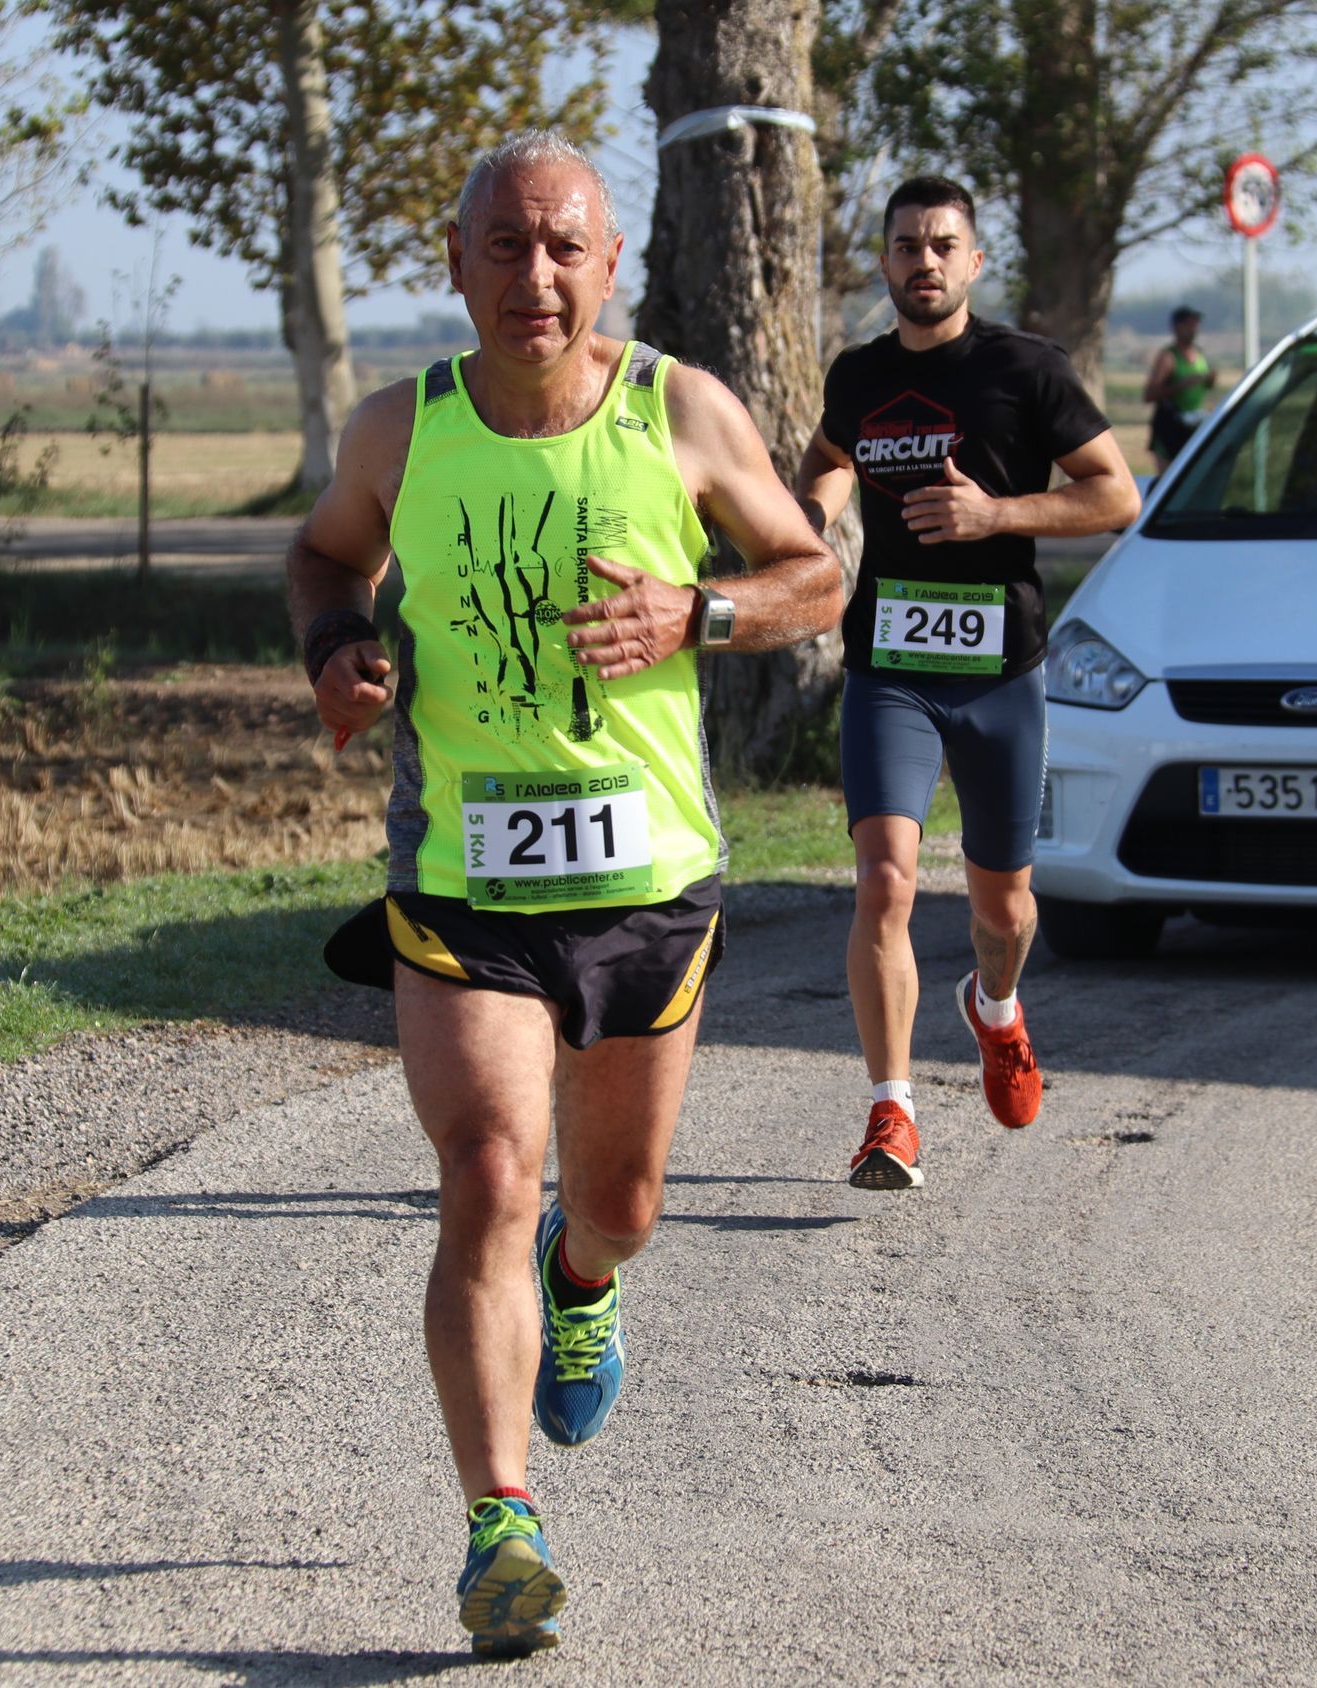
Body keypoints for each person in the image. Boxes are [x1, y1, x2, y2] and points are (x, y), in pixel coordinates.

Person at [287, 130, 842, 1657]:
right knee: (485, 1167)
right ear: (456, 263)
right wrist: (337, 650)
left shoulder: (681, 411)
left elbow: (816, 577)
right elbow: (322, 559)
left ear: (609, 266)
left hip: (647, 883)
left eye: (562, 248)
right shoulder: (401, 429)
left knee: (618, 1206)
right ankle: (501, 1526)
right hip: (459, 881)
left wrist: (698, 612)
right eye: (505, 246)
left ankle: (584, 1281)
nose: (534, 275)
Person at [795, 176, 1140, 1190]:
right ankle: (891, 1111)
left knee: (1006, 911)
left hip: (998, 675)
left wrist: (996, 515)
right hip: (890, 670)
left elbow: (1115, 495)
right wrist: (811, 519)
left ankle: (994, 1007)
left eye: (942, 244)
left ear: (973, 261)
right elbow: (828, 455)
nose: (924, 261)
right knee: (884, 880)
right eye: (906, 245)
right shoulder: (859, 375)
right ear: (884, 263)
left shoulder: (1026, 369)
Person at [1144, 305, 1214, 470]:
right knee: (1170, 474)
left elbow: (1204, 386)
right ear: (1176, 328)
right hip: (1171, 425)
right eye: (1188, 325)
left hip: (1194, 423)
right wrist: (1181, 385)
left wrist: (1209, 380)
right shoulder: (1169, 357)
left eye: (1195, 325)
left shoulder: (1200, 355)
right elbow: (1149, 395)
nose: (1193, 329)